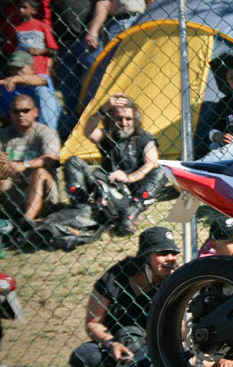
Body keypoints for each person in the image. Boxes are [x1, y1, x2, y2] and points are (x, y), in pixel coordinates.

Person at [62, 226, 180, 367]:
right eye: (162, 253)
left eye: (173, 253)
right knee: (83, 354)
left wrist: (177, 288)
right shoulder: (115, 277)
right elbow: (93, 323)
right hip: (115, 349)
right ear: (145, 256)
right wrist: (112, 344)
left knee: (165, 358)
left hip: (152, 347)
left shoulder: (175, 282)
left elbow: (180, 332)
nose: (171, 259)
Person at [63, 93, 166, 234]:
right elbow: (87, 131)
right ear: (111, 119)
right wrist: (102, 109)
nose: (124, 123)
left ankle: (130, 215)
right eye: (119, 119)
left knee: (161, 170)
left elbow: (151, 163)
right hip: (106, 184)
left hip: (133, 189)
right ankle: (81, 208)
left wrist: (128, 177)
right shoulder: (107, 136)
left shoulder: (144, 138)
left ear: (135, 120)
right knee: (73, 161)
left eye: (128, 119)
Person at [52, 0, 111, 138]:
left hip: (87, 43)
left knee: (92, 92)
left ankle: (94, 135)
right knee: (70, 94)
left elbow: (103, 3)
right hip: (65, 44)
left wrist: (93, 30)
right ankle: (73, 137)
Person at [0, 94, 60, 228]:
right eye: (16, 111)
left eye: (26, 110)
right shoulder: (3, 135)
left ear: (35, 112)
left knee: (40, 172)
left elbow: (52, 159)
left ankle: (27, 221)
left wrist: (24, 165)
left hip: (43, 194)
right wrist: (5, 167)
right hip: (13, 189)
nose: (21, 114)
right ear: (10, 113)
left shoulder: (46, 132)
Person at [1, 50, 62, 132]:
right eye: (13, 69)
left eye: (20, 67)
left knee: (42, 91)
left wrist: (16, 78)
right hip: (21, 130)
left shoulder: (41, 78)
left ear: (32, 68)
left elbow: (42, 80)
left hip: (59, 125)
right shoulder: (7, 88)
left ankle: (46, 133)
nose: (16, 71)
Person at [12, 0, 58, 78]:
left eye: (24, 7)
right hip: (23, 67)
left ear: (34, 10)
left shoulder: (42, 26)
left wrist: (39, 51)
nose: (20, 10)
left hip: (40, 65)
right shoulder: (18, 28)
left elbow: (53, 49)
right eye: (19, 7)